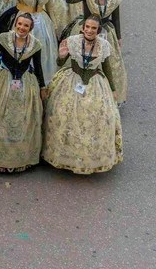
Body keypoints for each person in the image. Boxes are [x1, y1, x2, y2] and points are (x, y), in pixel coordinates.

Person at [42, 17, 123, 174]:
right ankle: (65, 155)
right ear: (83, 27)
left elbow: (107, 68)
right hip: (72, 81)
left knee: (100, 117)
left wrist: (113, 89)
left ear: (98, 31)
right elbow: (60, 62)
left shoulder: (103, 46)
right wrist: (61, 55)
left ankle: (91, 158)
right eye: (87, 27)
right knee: (62, 114)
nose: (90, 30)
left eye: (93, 28)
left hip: (95, 84)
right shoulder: (72, 41)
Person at [0, 13, 44, 172]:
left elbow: (38, 67)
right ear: (15, 24)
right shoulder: (3, 38)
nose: (22, 27)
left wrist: (42, 88)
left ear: (30, 28)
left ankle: (20, 157)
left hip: (25, 82)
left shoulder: (35, 44)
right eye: (19, 24)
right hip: (3, 79)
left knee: (22, 118)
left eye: (26, 25)